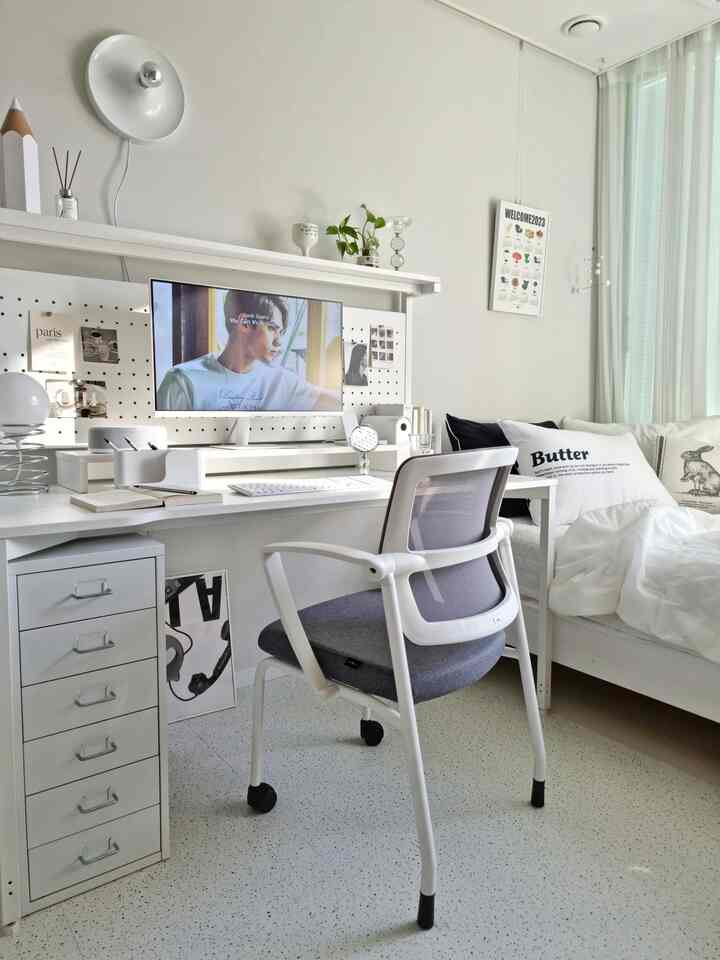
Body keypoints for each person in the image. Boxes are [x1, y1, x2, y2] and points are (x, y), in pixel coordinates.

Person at [157, 289, 340, 412]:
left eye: (281, 332)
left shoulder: (281, 381)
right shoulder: (182, 381)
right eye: (271, 328)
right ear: (244, 323)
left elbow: (336, 402)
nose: (279, 341)